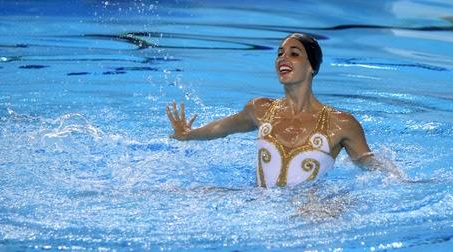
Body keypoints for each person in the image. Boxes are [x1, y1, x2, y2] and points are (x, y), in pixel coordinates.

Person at [165, 32, 407, 188]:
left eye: (294, 54)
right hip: (259, 205)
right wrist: (189, 134)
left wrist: (404, 180)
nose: (283, 58)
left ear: (312, 66)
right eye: (280, 54)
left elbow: (368, 163)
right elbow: (222, 128)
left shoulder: (341, 123)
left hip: (309, 210)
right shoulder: (260, 109)